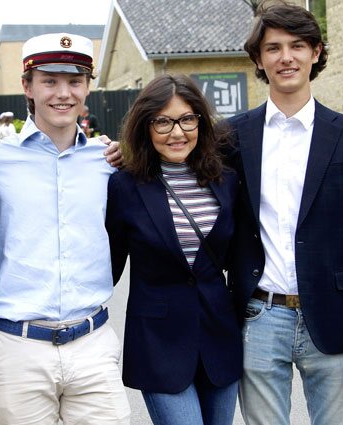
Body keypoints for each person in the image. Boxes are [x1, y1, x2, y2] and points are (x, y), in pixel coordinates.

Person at [227, 2, 343, 424]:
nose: (286, 57)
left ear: (316, 52)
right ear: (258, 60)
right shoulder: (231, 136)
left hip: (333, 322)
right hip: (260, 317)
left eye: (298, 45)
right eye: (273, 48)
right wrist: (116, 154)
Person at [0, 33, 131, 424]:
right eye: (49, 80)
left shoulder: (110, 160)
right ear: (27, 86)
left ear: (87, 88)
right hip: (20, 348)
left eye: (75, 81)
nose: (62, 93)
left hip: (93, 344)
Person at [106, 74, 242, 425]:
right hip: (159, 344)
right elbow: (107, 263)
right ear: (146, 126)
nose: (177, 132)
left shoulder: (225, 180)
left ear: (200, 120)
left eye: (186, 119)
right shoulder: (125, 185)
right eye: (163, 121)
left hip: (219, 338)